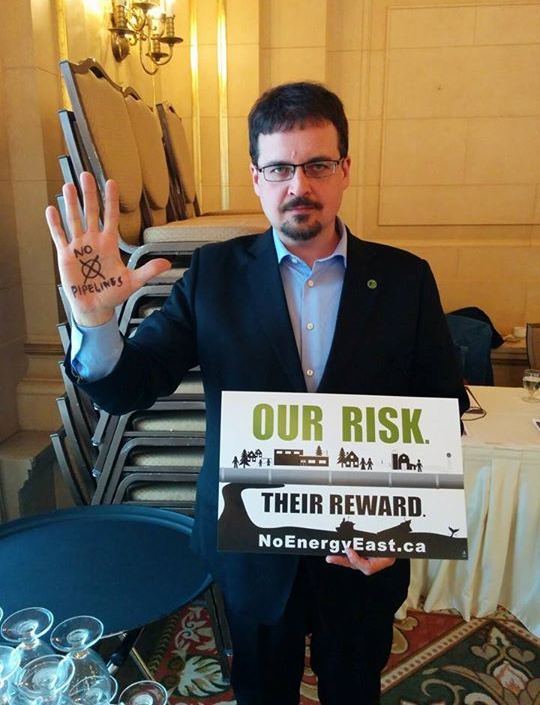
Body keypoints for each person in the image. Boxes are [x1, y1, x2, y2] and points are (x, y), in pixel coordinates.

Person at [46, 82, 468, 705]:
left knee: (354, 689)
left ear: (345, 170)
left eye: (317, 165)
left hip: (361, 547)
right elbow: (131, 385)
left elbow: (440, 407)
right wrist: (95, 322)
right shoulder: (213, 275)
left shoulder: (406, 279)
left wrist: (398, 527)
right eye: (279, 169)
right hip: (252, 547)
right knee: (261, 691)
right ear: (256, 177)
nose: (299, 186)